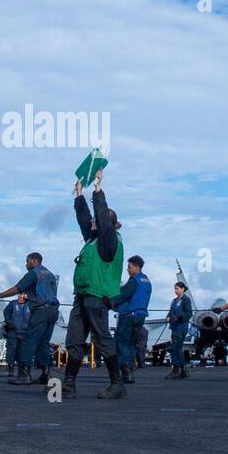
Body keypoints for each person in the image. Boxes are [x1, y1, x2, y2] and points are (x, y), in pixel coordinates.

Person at [64, 171, 126, 400]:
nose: (92, 222)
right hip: (82, 296)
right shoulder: (93, 239)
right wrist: (80, 195)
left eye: (97, 221)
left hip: (97, 297)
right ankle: (69, 384)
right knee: (74, 339)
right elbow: (85, 219)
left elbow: (100, 218)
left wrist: (98, 190)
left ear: (107, 224)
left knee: (101, 339)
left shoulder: (109, 241)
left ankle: (117, 384)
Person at [0, 252, 61, 387]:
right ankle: (46, 374)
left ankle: (24, 375)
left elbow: (17, 289)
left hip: (40, 311)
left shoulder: (34, 273)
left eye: (27, 261)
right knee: (43, 342)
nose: (26, 264)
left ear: (34, 261)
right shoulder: (50, 274)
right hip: (53, 311)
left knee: (28, 341)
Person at [110, 255, 151, 384]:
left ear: (136, 267)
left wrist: (109, 302)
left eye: (129, 267)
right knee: (132, 344)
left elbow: (123, 295)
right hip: (140, 316)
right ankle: (130, 371)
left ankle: (125, 370)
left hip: (129, 316)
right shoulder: (147, 281)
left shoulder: (134, 280)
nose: (127, 269)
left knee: (122, 343)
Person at [166, 282, 193, 379]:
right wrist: (168, 317)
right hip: (174, 327)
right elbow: (170, 312)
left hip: (181, 327)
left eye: (177, 289)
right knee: (175, 348)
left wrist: (178, 317)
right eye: (175, 289)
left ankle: (177, 369)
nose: (175, 291)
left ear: (182, 289)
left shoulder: (186, 300)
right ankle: (183, 370)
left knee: (176, 348)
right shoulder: (174, 301)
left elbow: (189, 313)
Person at [3, 294, 31, 377]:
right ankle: (11, 368)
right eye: (19, 297)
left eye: (22, 298)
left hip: (25, 332)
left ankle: (22, 369)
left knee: (23, 351)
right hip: (13, 331)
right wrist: (9, 323)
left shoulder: (30, 305)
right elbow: (6, 312)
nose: (20, 299)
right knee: (11, 350)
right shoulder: (13, 304)